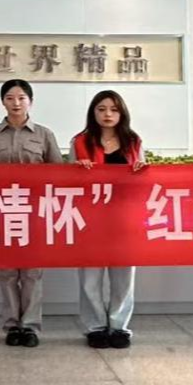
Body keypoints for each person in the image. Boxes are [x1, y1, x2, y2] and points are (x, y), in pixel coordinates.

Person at [0, 78, 62, 347]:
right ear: (3, 102)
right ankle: (12, 325)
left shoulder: (44, 135)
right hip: (2, 212)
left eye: (22, 98)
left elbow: (58, 173)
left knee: (32, 272)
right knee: (7, 272)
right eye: (10, 98)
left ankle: (31, 326)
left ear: (30, 102)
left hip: (34, 213)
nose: (16, 103)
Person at [71, 89, 148, 349]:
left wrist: (140, 171)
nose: (108, 114)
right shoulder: (80, 142)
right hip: (90, 219)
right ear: (93, 112)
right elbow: (68, 183)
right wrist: (77, 172)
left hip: (124, 218)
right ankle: (95, 327)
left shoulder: (133, 142)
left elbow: (143, 182)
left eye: (114, 109)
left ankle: (119, 327)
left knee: (123, 277)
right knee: (90, 278)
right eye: (102, 109)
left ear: (122, 113)